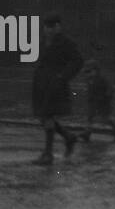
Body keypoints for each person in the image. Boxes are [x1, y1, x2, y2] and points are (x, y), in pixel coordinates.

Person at [31, 13, 83, 164]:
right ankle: (68, 137)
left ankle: (48, 154)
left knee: (47, 116)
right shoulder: (43, 42)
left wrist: (63, 77)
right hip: (41, 84)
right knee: (44, 116)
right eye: (45, 27)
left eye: (51, 27)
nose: (47, 30)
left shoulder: (66, 43)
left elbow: (78, 61)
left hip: (55, 85)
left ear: (58, 27)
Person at [77, 59, 115, 142]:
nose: (88, 74)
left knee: (106, 118)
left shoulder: (102, 79)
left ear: (96, 70)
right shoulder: (89, 79)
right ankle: (87, 133)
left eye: (90, 71)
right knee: (90, 117)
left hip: (103, 102)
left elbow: (110, 89)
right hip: (93, 101)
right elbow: (90, 90)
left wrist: (106, 97)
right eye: (86, 72)